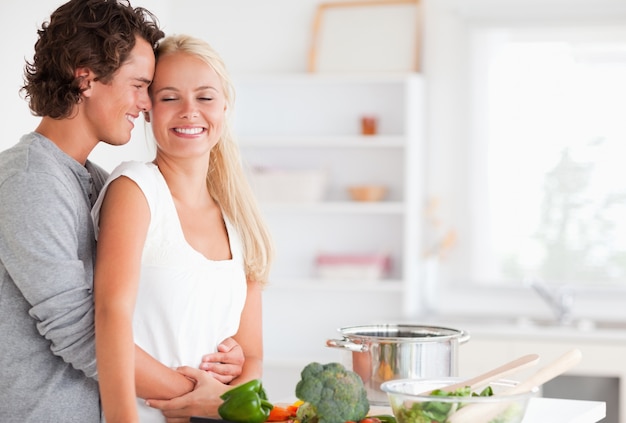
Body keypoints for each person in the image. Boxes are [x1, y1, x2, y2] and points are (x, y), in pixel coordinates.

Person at [0, 2, 241, 422]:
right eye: (139, 85)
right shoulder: (29, 179)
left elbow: (139, 305)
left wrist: (223, 354)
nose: (146, 104)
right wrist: (202, 398)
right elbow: (80, 334)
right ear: (86, 77)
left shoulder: (94, 179)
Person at [91, 33, 274, 423]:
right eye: (170, 97)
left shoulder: (240, 218)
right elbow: (109, 318)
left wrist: (231, 394)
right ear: (148, 109)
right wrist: (204, 399)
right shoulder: (135, 190)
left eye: (205, 98)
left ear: (225, 106)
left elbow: (252, 354)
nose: (190, 111)